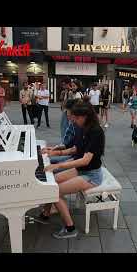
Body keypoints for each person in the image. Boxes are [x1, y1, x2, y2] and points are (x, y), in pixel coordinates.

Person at [40, 102, 105, 239]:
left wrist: (58, 166)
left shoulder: (96, 132)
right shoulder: (83, 127)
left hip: (91, 175)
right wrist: (54, 152)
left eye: (75, 117)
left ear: (85, 116)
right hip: (81, 169)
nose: (73, 120)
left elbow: (85, 160)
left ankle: (70, 228)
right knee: (51, 182)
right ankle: (45, 214)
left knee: (54, 191)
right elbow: (75, 149)